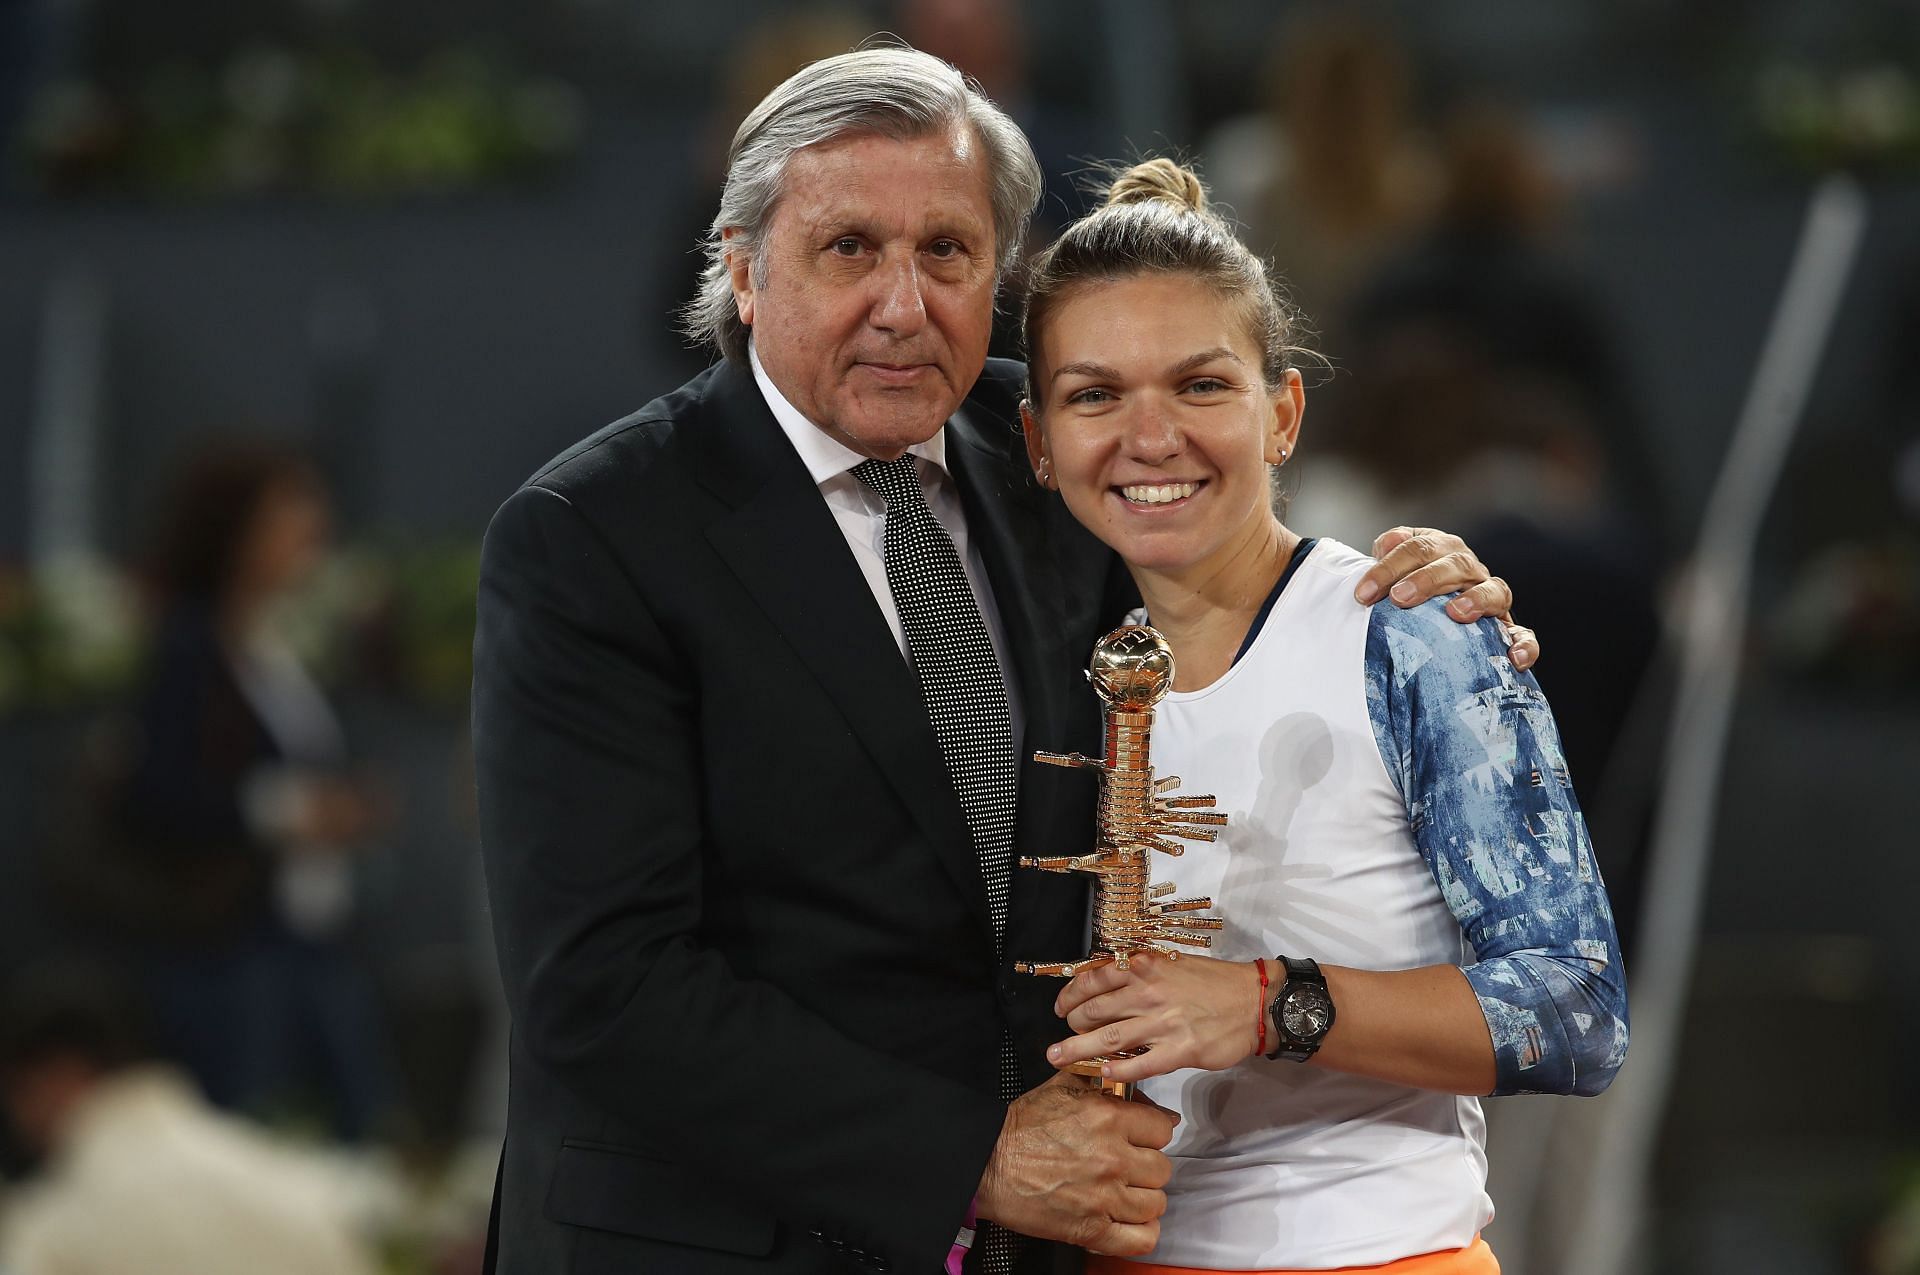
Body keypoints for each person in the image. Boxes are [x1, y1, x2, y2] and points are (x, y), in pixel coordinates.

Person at [473, 46, 1538, 1275]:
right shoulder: (591, 538)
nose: (903, 302)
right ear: (743, 270)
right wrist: (973, 1160)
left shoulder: (1048, 444)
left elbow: (1228, 543)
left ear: (1003, 275)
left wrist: (1403, 596)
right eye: (848, 249)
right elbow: (603, 986)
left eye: (948, 252)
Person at [1017, 159, 1628, 1274]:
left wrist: (1268, 1004)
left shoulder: (1414, 632)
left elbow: (1575, 1007)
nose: (1150, 438)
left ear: (1283, 411)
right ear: (1039, 445)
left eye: (1201, 386)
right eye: (1095, 395)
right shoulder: (1039, 664)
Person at [111, 442, 395, 1140]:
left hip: (315, 937)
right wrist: (296, 810)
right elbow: (160, 792)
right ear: (233, 530)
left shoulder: (277, 644)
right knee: (243, 1142)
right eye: (287, 517)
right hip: (231, 946)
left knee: (361, 1136)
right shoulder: (187, 647)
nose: (310, 536)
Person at [0, 961, 379, 1275]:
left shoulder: (53, 1229)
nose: (17, 1118)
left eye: (18, 1092)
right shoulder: (307, 1187)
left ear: (60, 1076)